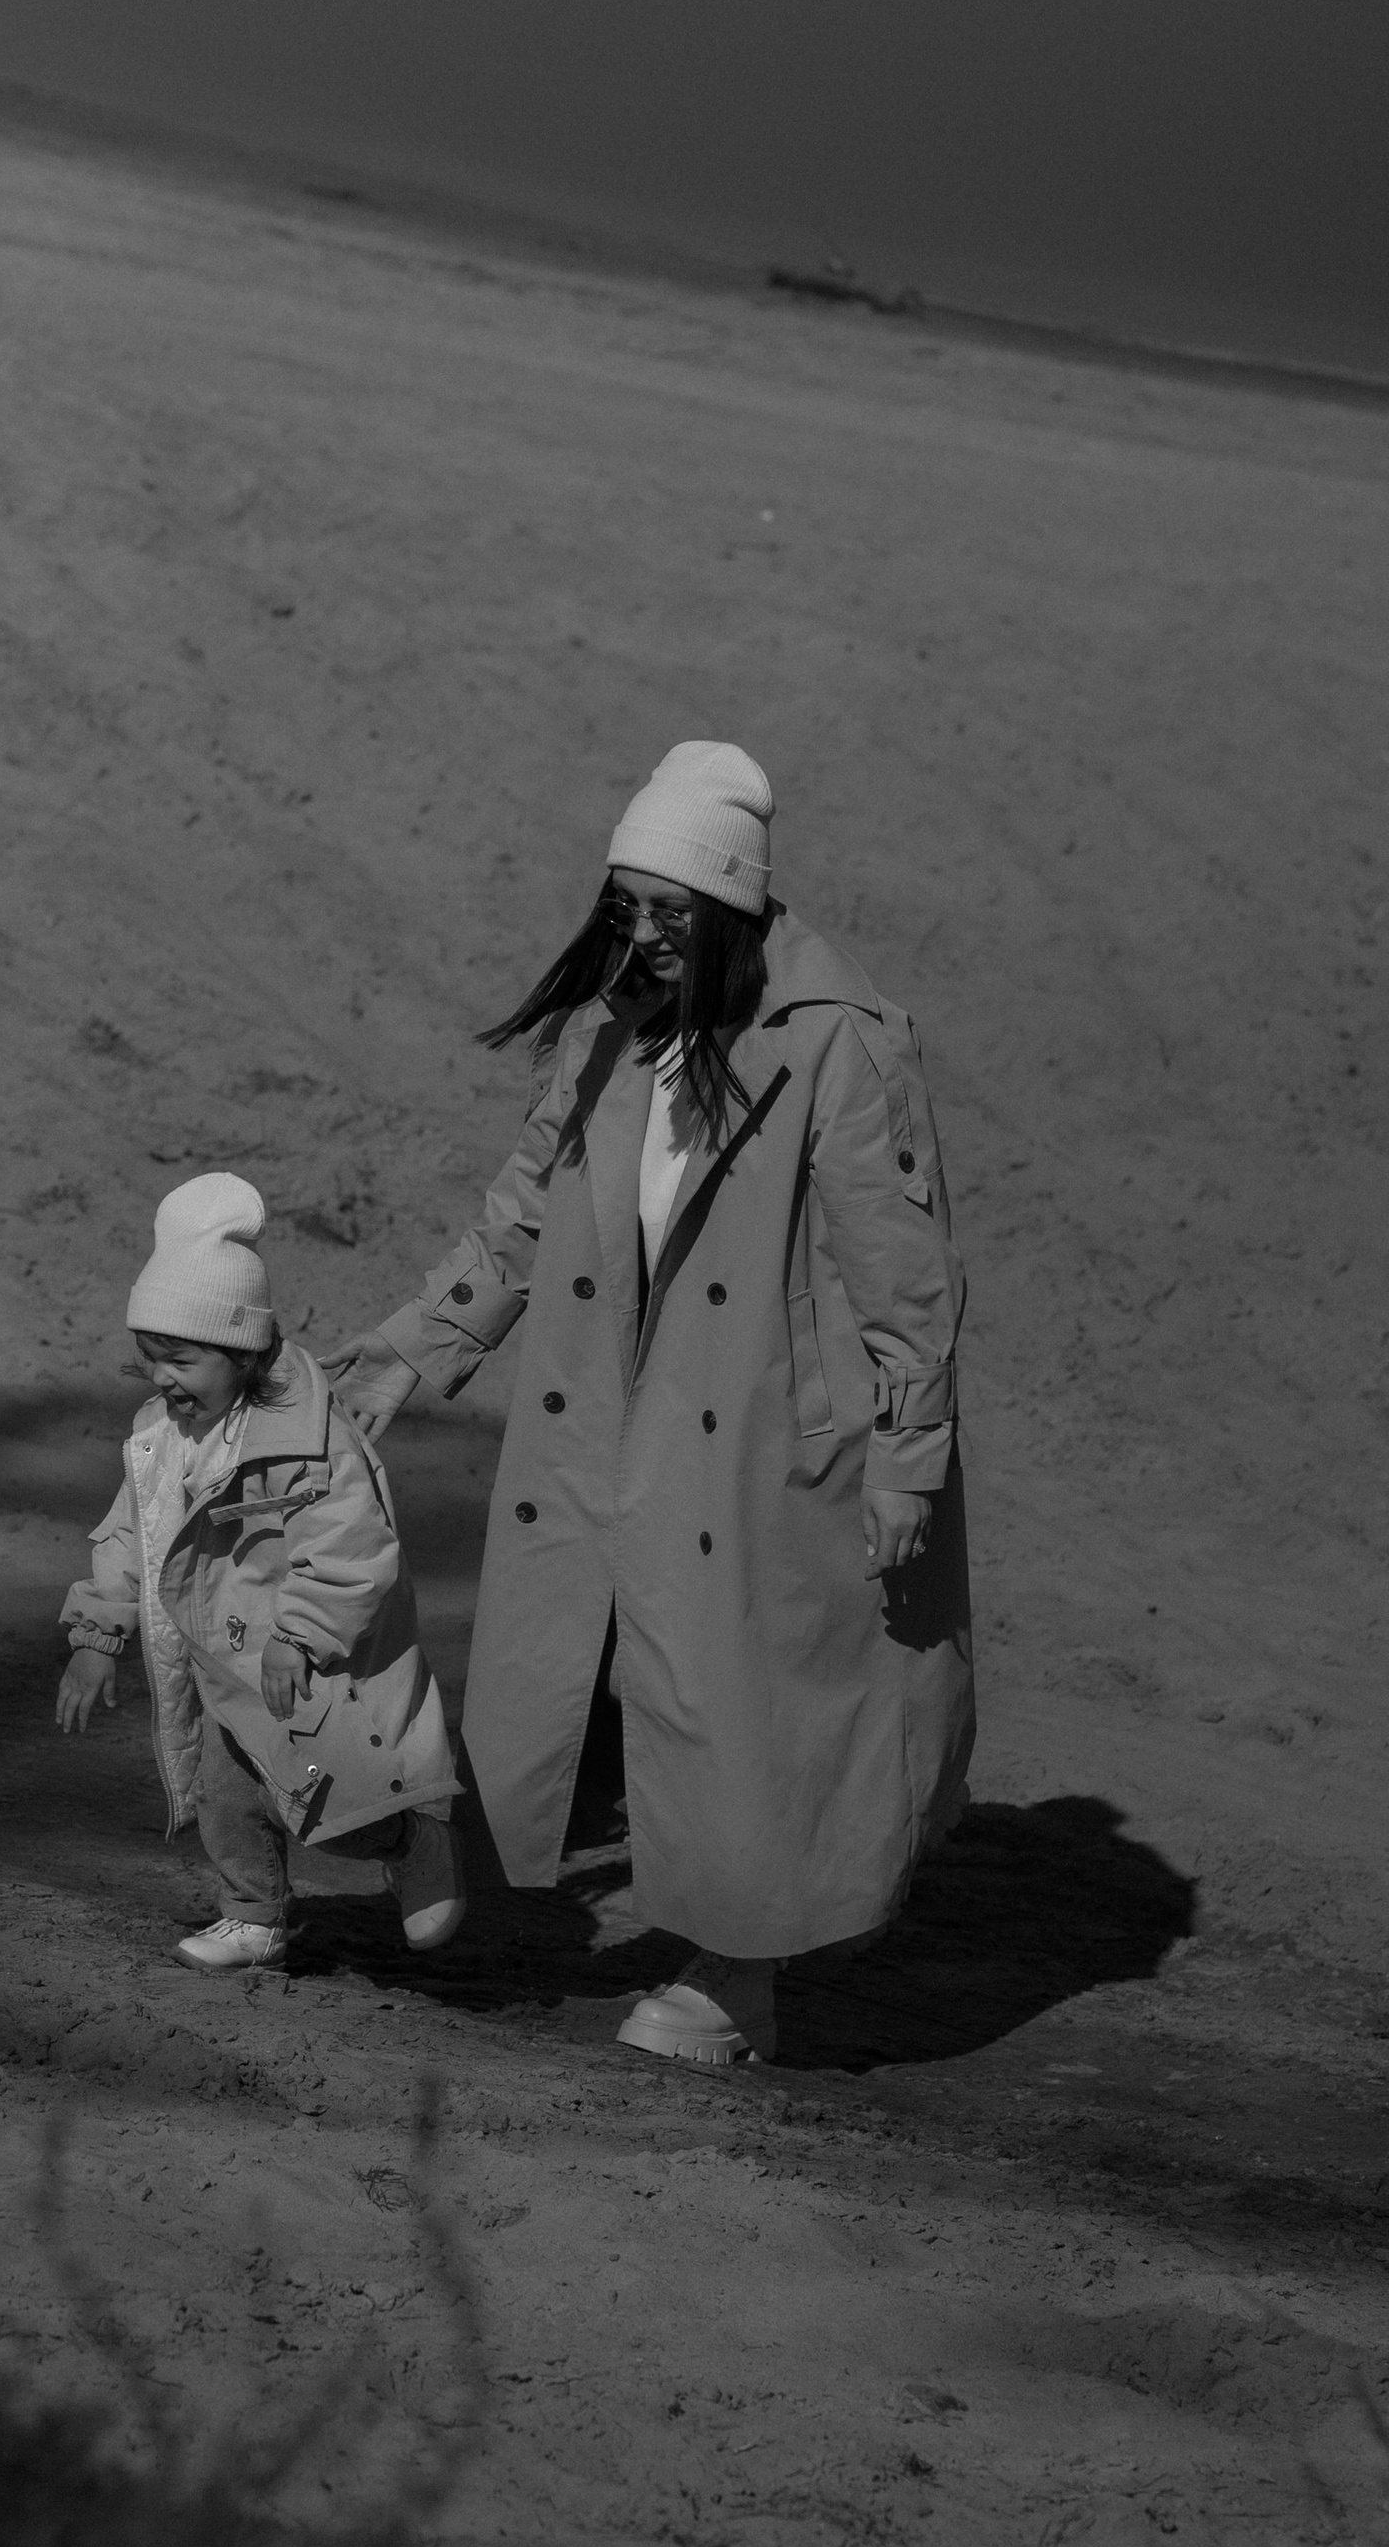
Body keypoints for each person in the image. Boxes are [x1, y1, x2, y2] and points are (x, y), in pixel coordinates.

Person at [333, 743, 973, 2068]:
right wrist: (414, 1347)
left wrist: (907, 1465)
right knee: (584, 1659)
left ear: (732, 906)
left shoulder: (841, 1042)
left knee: (739, 1703)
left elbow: (904, 1288)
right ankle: (465, 1838)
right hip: (610, 1416)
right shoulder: (614, 1028)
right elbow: (521, 1211)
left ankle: (737, 1981)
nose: (645, 936)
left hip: (760, 1436)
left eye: (671, 913)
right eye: (627, 908)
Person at [57, 1170, 465, 1971]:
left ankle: (411, 1837)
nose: (165, 1379)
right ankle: (254, 1915)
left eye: (182, 1359)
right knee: (225, 1793)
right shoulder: (159, 1439)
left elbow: (352, 1548)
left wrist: (300, 1635)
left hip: (312, 1667)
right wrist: (97, 1634)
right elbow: (130, 1536)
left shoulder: (310, 1446)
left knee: (329, 1800)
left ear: (244, 1354)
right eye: (151, 1361)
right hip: (224, 1663)